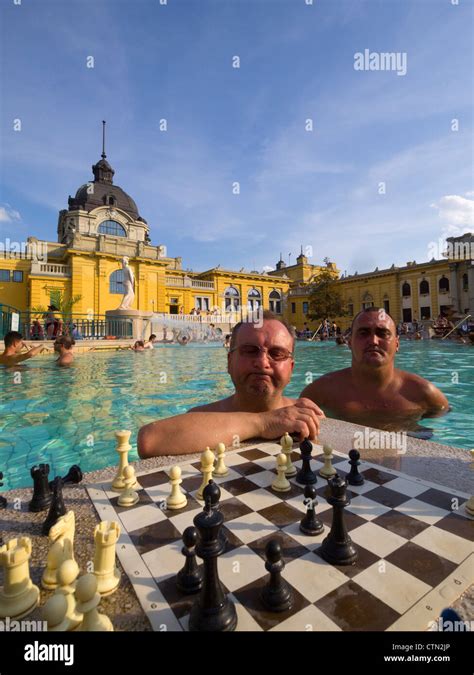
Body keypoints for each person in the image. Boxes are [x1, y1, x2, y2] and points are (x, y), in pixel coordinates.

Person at [137, 310, 324, 457]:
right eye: (250, 350)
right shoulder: (201, 417)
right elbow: (149, 440)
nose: (262, 362)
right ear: (229, 362)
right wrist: (264, 423)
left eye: (277, 354)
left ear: (291, 369)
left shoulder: (304, 415)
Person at [300, 307, 449, 431]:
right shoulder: (320, 393)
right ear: (350, 342)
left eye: (383, 333)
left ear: (397, 344)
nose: (373, 341)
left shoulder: (425, 394)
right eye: (364, 333)